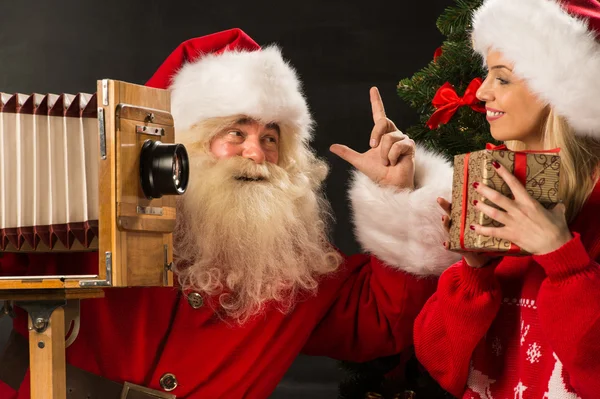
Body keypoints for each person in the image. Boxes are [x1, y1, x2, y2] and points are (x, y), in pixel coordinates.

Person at [0, 29, 457, 398]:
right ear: (184, 142)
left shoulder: (292, 266)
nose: (256, 153)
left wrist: (397, 199)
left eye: (271, 137)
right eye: (235, 132)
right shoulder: (80, 212)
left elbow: (377, 322)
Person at [412, 0, 600, 398]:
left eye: (504, 79)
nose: (481, 93)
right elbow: (442, 364)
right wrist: (474, 270)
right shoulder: (495, 183)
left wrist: (562, 259)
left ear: (559, 91)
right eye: (487, 76)